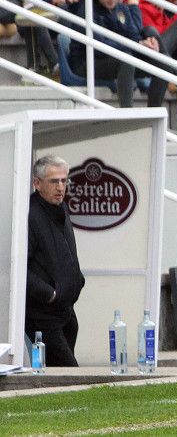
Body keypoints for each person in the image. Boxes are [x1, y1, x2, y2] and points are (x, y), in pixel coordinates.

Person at [25, 155, 86, 367]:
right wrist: (49, 294)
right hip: (43, 316)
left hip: (66, 312)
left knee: (62, 377)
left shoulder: (61, 209)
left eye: (64, 180)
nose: (61, 187)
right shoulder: (30, 215)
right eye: (54, 181)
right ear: (37, 183)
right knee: (69, 372)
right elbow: (18, 269)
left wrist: (78, 280)